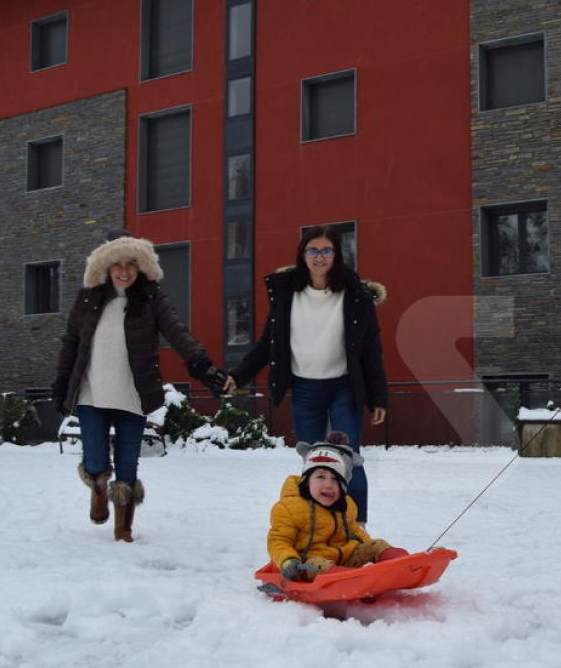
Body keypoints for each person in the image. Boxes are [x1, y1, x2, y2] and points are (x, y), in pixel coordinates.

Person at [53, 229, 228, 542]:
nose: (124, 270)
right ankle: (97, 486)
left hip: (134, 395)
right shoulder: (88, 298)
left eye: (131, 264)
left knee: (127, 463)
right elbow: (71, 342)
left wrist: (202, 365)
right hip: (91, 393)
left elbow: (177, 332)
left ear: (141, 266)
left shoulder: (151, 299)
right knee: (94, 458)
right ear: (106, 267)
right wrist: (60, 382)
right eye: (117, 264)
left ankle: (123, 529)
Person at [226, 225, 388, 524]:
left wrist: (378, 396)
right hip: (304, 390)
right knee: (314, 461)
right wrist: (239, 375)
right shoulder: (287, 293)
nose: (319, 256)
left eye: (327, 250)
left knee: (348, 456)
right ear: (303, 254)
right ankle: (318, 526)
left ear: (336, 255)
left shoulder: (355, 295)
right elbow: (267, 344)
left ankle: (357, 527)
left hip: (344, 387)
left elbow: (371, 349)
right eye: (313, 250)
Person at [267, 431, 407, 581]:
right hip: (307, 567)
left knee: (378, 544)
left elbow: (355, 532)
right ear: (307, 481)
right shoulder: (289, 508)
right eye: (320, 477)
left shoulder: (346, 505)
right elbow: (279, 541)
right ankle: (344, 580)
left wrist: (370, 546)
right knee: (318, 563)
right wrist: (288, 560)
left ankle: (403, 565)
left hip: (344, 562)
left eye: (335, 479)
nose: (328, 484)